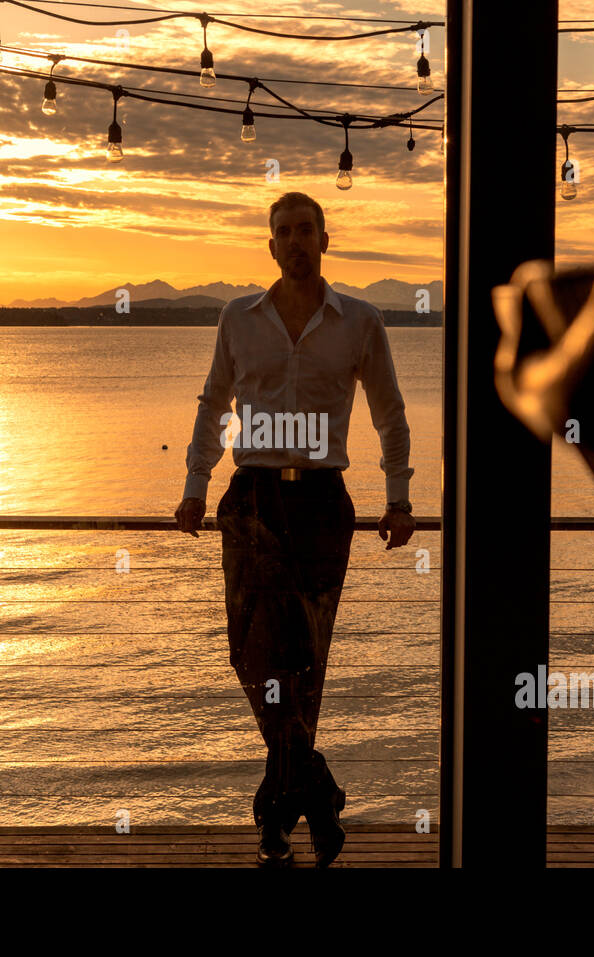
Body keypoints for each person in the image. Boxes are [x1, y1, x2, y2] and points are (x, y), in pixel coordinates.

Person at [175, 191, 416, 867]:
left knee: (303, 671)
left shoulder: (359, 321)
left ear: (324, 239)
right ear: (271, 246)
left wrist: (398, 498)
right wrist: (195, 486)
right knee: (251, 657)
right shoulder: (238, 318)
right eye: (284, 232)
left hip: (319, 505)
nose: (297, 241)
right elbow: (211, 404)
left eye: (307, 229)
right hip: (250, 499)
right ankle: (317, 788)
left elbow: (390, 414)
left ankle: (275, 825)